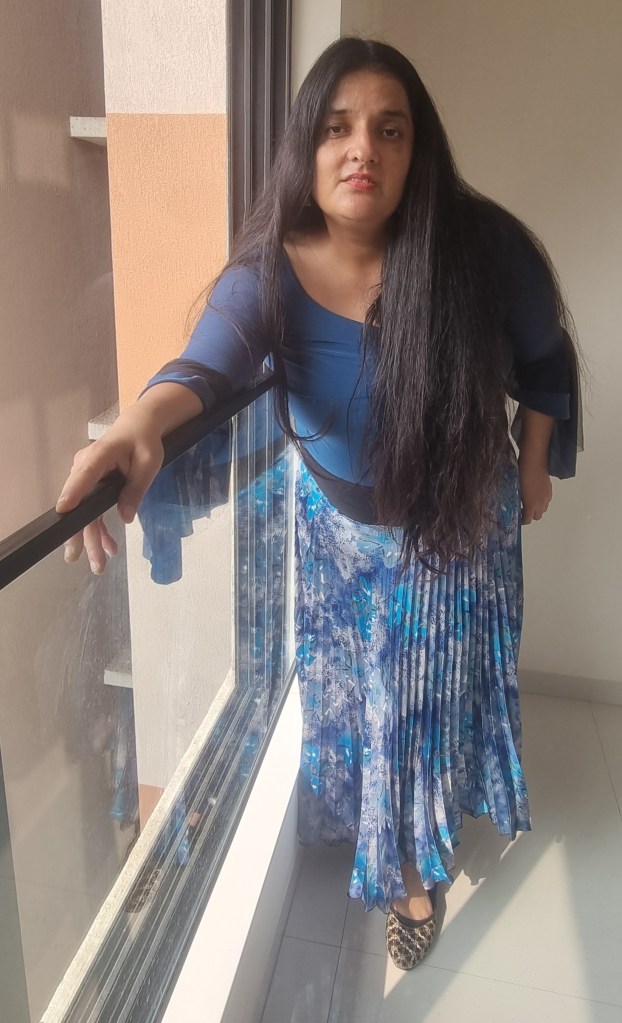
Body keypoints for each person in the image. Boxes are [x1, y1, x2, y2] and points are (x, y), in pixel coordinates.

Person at [57, 38, 581, 970]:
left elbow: (545, 361)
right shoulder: (270, 270)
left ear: (417, 150)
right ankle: (360, 814)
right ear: (306, 145)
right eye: (337, 128)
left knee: (417, 703)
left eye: (389, 130)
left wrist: (534, 462)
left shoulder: (480, 247)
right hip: (334, 530)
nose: (361, 149)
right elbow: (206, 365)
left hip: (453, 530)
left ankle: (412, 868)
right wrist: (140, 421)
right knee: (348, 688)